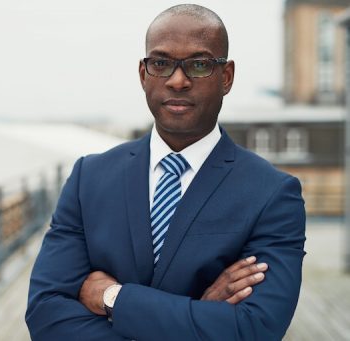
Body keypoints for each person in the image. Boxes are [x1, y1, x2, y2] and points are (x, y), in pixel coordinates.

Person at [26, 4, 306, 341]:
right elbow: (45, 313)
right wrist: (197, 312)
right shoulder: (90, 178)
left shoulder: (272, 194)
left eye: (199, 65)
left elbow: (253, 329)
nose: (177, 80)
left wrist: (112, 297)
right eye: (161, 63)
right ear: (143, 74)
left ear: (226, 77)